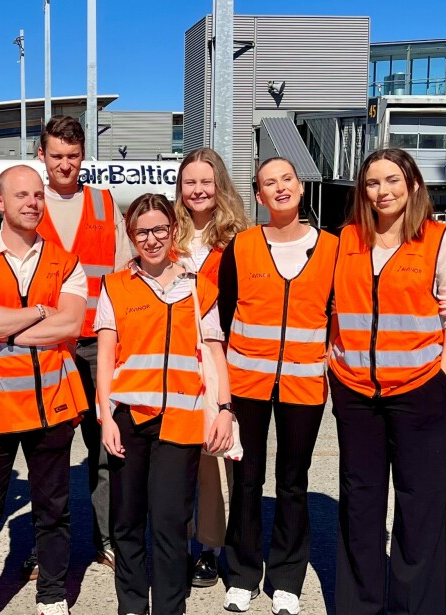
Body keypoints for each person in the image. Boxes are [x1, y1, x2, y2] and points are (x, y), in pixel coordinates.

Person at [330, 148, 446, 615]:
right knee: (361, 505)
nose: (382, 191)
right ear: (362, 190)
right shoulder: (346, 239)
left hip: (419, 392)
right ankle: (360, 605)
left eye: (392, 180)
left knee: (420, 506)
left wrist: (441, 375)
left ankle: (417, 607)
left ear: (412, 185)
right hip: (356, 394)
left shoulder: (436, 239)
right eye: (372, 183)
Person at [0, 165, 89, 615]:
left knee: (53, 510)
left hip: (52, 403)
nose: (32, 203)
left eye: (37, 195)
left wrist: (5, 330)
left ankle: (51, 594)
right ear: (0, 203)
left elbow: (70, 323)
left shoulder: (66, 262)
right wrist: (35, 313)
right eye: (21, 195)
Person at [96, 193, 235, 615]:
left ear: (173, 229)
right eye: (142, 231)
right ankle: (133, 606)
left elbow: (214, 352)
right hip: (129, 420)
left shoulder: (198, 289)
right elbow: (105, 356)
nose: (152, 239)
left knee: (172, 524)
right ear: (130, 234)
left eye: (159, 229)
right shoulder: (115, 287)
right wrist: (106, 418)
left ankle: (171, 608)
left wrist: (226, 409)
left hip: (182, 420)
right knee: (127, 524)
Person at [217, 157, 339, 615]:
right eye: (270, 183)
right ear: (260, 195)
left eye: (287, 179)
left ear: (301, 188)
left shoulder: (331, 247)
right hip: (247, 382)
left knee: (293, 481)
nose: (280, 187)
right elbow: (226, 312)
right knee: (246, 478)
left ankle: (287, 577)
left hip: (304, 386)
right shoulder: (243, 245)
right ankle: (244, 573)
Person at [31, 115, 133, 576]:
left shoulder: (103, 203)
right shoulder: (29, 204)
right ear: (42, 156)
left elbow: (122, 273)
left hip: (95, 344)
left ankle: (106, 540)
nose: (66, 165)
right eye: (57, 156)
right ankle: (42, 544)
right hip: (47, 345)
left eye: (73, 156)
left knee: (106, 448)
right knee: (45, 451)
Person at [171, 147, 250, 589]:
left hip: (224, 358)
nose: (198, 190)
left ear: (219, 186)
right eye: (190, 182)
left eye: (206, 181)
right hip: (178, 362)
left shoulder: (239, 240)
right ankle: (179, 540)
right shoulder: (169, 236)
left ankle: (212, 546)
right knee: (185, 459)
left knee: (222, 455)